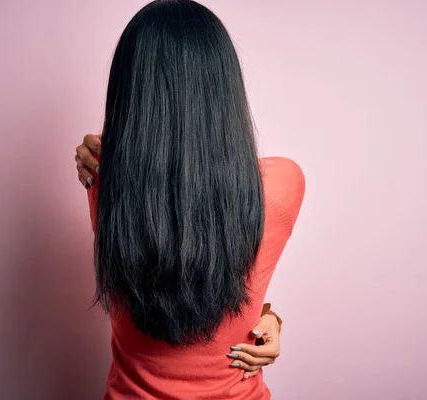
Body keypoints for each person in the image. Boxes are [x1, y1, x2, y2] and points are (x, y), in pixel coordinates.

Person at [75, 1, 305, 399]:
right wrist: (270, 318)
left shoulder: (102, 178)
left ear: (130, 91)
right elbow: (221, 282)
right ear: (224, 86)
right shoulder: (283, 183)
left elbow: (175, 281)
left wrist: (104, 160)